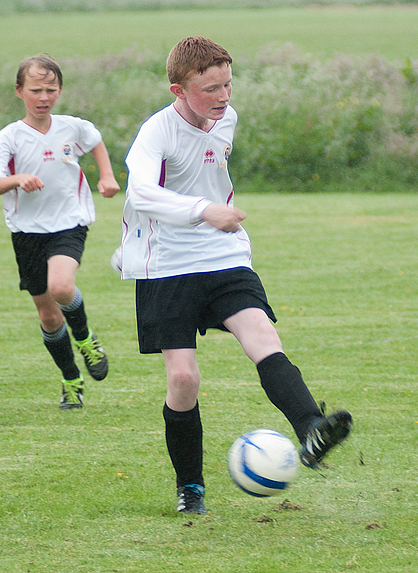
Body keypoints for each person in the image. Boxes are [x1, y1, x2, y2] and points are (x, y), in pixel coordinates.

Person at [115, 36, 352, 515]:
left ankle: (311, 429)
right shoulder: (155, 134)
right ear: (177, 90)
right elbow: (140, 192)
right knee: (183, 379)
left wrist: (212, 219)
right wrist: (205, 210)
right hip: (166, 265)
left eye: (228, 84)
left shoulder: (228, 119)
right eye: (210, 89)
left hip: (223, 255)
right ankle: (190, 488)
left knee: (261, 334)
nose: (223, 97)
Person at [0, 54, 121, 409]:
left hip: (70, 222)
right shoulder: (9, 137)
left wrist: (106, 175)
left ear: (60, 91)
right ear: (19, 91)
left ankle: (86, 338)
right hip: (27, 232)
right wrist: (16, 179)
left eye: (51, 90)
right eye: (36, 90)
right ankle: (71, 379)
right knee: (48, 313)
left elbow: (95, 140)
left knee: (61, 287)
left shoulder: (72, 126)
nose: (44, 97)